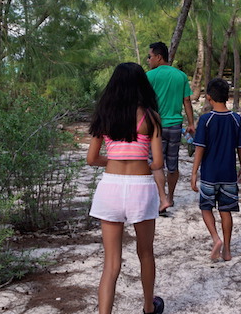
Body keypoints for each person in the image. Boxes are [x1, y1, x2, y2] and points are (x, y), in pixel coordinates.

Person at [87, 63, 168, 314]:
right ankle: (148, 307)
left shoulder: (104, 116)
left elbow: (91, 159)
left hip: (109, 187)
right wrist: (138, 159)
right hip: (140, 189)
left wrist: (113, 160)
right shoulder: (151, 117)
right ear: (141, 85)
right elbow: (157, 162)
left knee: (111, 263)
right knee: (145, 253)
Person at [190, 77, 241, 262]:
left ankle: (216, 239)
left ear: (208, 98)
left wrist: (193, 173)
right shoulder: (236, 119)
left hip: (209, 174)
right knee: (226, 211)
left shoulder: (206, 120)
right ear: (227, 96)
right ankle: (227, 251)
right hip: (229, 174)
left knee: (206, 207)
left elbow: (200, 148)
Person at [146, 41, 196, 210]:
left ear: (159, 57)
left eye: (150, 56)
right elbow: (187, 100)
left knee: (156, 164)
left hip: (155, 128)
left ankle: (160, 199)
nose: (148, 60)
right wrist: (191, 123)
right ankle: (171, 196)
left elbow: (144, 103)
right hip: (175, 126)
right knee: (172, 164)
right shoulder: (181, 76)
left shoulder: (150, 76)